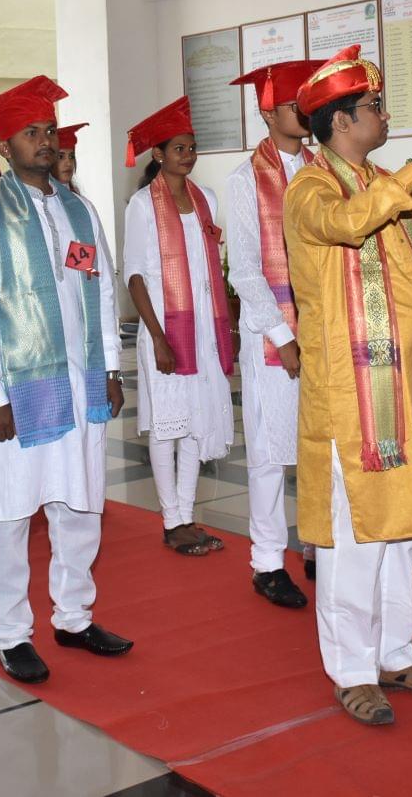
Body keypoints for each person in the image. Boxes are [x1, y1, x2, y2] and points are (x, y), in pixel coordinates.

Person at [285, 45, 412, 726]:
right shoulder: (311, 189)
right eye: (374, 106)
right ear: (341, 121)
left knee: (405, 529)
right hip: (354, 402)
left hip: (409, 388)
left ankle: (397, 652)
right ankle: (351, 670)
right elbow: (346, 224)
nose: (385, 115)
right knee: (355, 536)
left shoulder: (385, 185)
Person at [0, 77, 131, 685]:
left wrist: (110, 367)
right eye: (31, 133)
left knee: (80, 504)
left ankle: (74, 617)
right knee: (9, 514)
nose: (46, 141)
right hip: (18, 389)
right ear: (4, 148)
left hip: (79, 382)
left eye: (50, 131)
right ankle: (10, 634)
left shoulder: (80, 210)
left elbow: (100, 290)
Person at [227, 59, 325, 608]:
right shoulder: (245, 181)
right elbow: (244, 270)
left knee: (319, 443)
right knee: (269, 451)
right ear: (268, 113)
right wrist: (282, 335)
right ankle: (266, 562)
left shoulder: (322, 169)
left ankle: (316, 546)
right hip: (271, 335)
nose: (304, 114)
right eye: (293, 105)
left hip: (324, 331)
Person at [122, 97, 235, 557]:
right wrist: (157, 337)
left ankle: (187, 515)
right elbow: (135, 276)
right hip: (165, 329)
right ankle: (171, 520)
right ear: (158, 154)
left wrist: (226, 325)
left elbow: (212, 269)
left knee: (195, 422)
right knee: (167, 426)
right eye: (179, 149)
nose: (188, 155)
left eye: (192, 147)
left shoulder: (205, 199)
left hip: (203, 328)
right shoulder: (142, 205)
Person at [54, 122, 87, 191]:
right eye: (60, 157)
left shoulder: (76, 196)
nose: (69, 163)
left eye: (71, 157)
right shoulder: (37, 196)